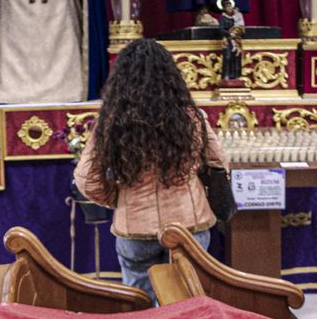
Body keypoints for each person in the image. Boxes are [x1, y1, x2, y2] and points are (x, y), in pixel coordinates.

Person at [73, 39, 228, 300]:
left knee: (140, 304)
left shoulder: (112, 123)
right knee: (186, 303)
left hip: (135, 227)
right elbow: (219, 163)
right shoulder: (191, 117)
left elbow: (87, 178)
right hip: (188, 225)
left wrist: (118, 199)